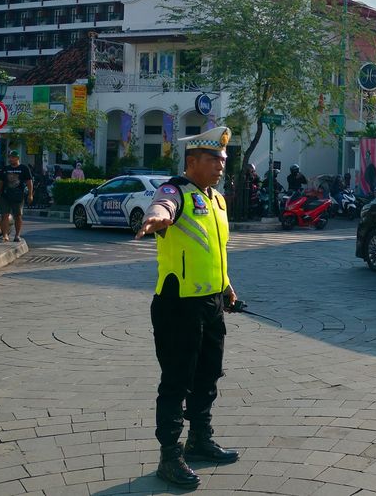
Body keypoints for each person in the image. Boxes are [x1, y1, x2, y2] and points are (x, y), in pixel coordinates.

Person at [135, 127, 240, 488]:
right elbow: (162, 204)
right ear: (192, 161)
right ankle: (169, 455)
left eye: (224, 160)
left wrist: (226, 288)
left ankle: (199, 439)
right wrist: (156, 217)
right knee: (177, 380)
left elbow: (215, 251)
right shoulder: (175, 190)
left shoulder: (217, 200)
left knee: (208, 375)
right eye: (214, 160)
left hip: (211, 304)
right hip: (178, 306)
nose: (221, 166)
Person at [0, 151, 34, 243]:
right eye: (9, 157)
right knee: (4, 215)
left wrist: (30, 194)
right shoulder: (5, 168)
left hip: (18, 196)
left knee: (18, 216)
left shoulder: (24, 168)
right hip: (6, 195)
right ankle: (5, 235)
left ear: (17, 158)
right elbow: (1, 182)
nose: (10, 159)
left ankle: (17, 235)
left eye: (12, 157)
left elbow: (29, 182)